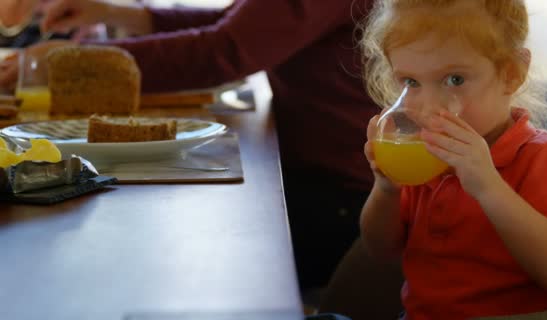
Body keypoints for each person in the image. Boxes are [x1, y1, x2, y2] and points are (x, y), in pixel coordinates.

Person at [0, 0, 379, 293]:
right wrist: (120, 14)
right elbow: (235, 24)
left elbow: (223, 51)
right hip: (320, 180)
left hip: (338, 199)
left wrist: (75, 64)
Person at [360, 0, 547, 319]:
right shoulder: (423, 156)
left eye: (454, 80)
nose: (429, 107)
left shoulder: (544, 159)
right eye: (411, 83)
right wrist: (386, 190)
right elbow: (381, 251)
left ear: (511, 74)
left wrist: (488, 187)